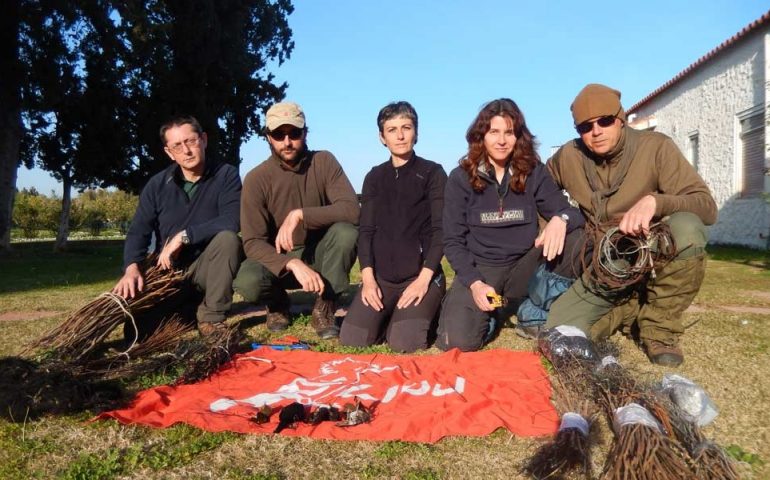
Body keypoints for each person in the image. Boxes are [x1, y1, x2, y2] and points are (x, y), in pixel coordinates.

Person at [545, 83, 718, 367]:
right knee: (559, 329)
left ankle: (659, 328)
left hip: (648, 252)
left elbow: (706, 207)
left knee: (687, 228)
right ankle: (629, 309)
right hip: (604, 263)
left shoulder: (656, 147)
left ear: (620, 119)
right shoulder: (569, 156)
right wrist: (556, 218)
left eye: (604, 121)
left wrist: (656, 202)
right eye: (585, 127)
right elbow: (538, 195)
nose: (596, 131)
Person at [437, 98, 585, 352]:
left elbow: (571, 212)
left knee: (578, 238)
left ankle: (532, 307)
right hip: (483, 269)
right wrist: (475, 283)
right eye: (494, 132)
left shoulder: (533, 171)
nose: (502, 140)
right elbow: (452, 240)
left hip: (525, 266)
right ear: (481, 136)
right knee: (458, 342)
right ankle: (495, 314)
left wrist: (560, 220)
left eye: (509, 132)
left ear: (519, 137)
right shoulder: (460, 178)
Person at [235, 101, 359, 340]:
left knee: (347, 233)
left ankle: (326, 305)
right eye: (278, 134)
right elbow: (252, 242)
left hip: (319, 255)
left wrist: (300, 214)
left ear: (305, 132)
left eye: (294, 132)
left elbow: (352, 210)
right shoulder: (255, 179)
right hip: (278, 260)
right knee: (247, 281)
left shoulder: (324, 161)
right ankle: (278, 303)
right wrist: (289, 263)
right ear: (268, 137)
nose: (287, 141)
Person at [113, 115, 242, 337]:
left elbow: (233, 219)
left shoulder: (226, 174)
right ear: (169, 152)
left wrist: (185, 235)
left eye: (191, 141)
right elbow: (139, 230)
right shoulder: (157, 185)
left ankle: (212, 319)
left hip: (208, 266)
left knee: (228, 239)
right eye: (177, 146)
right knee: (137, 331)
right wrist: (132, 267)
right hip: (169, 271)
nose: (186, 151)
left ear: (203, 139)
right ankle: (191, 309)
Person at [339, 101, 447, 352]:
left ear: (416, 132)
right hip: (382, 279)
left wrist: (424, 279)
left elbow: (441, 230)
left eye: (406, 127)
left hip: (421, 276)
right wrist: (367, 279)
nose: (400, 135)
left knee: (404, 342)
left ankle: (429, 308)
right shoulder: (374, 177)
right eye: (392, 129)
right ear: (382, 137)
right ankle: (391, 316)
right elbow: (365, 231)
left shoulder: (433, 173)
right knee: (353, 338)